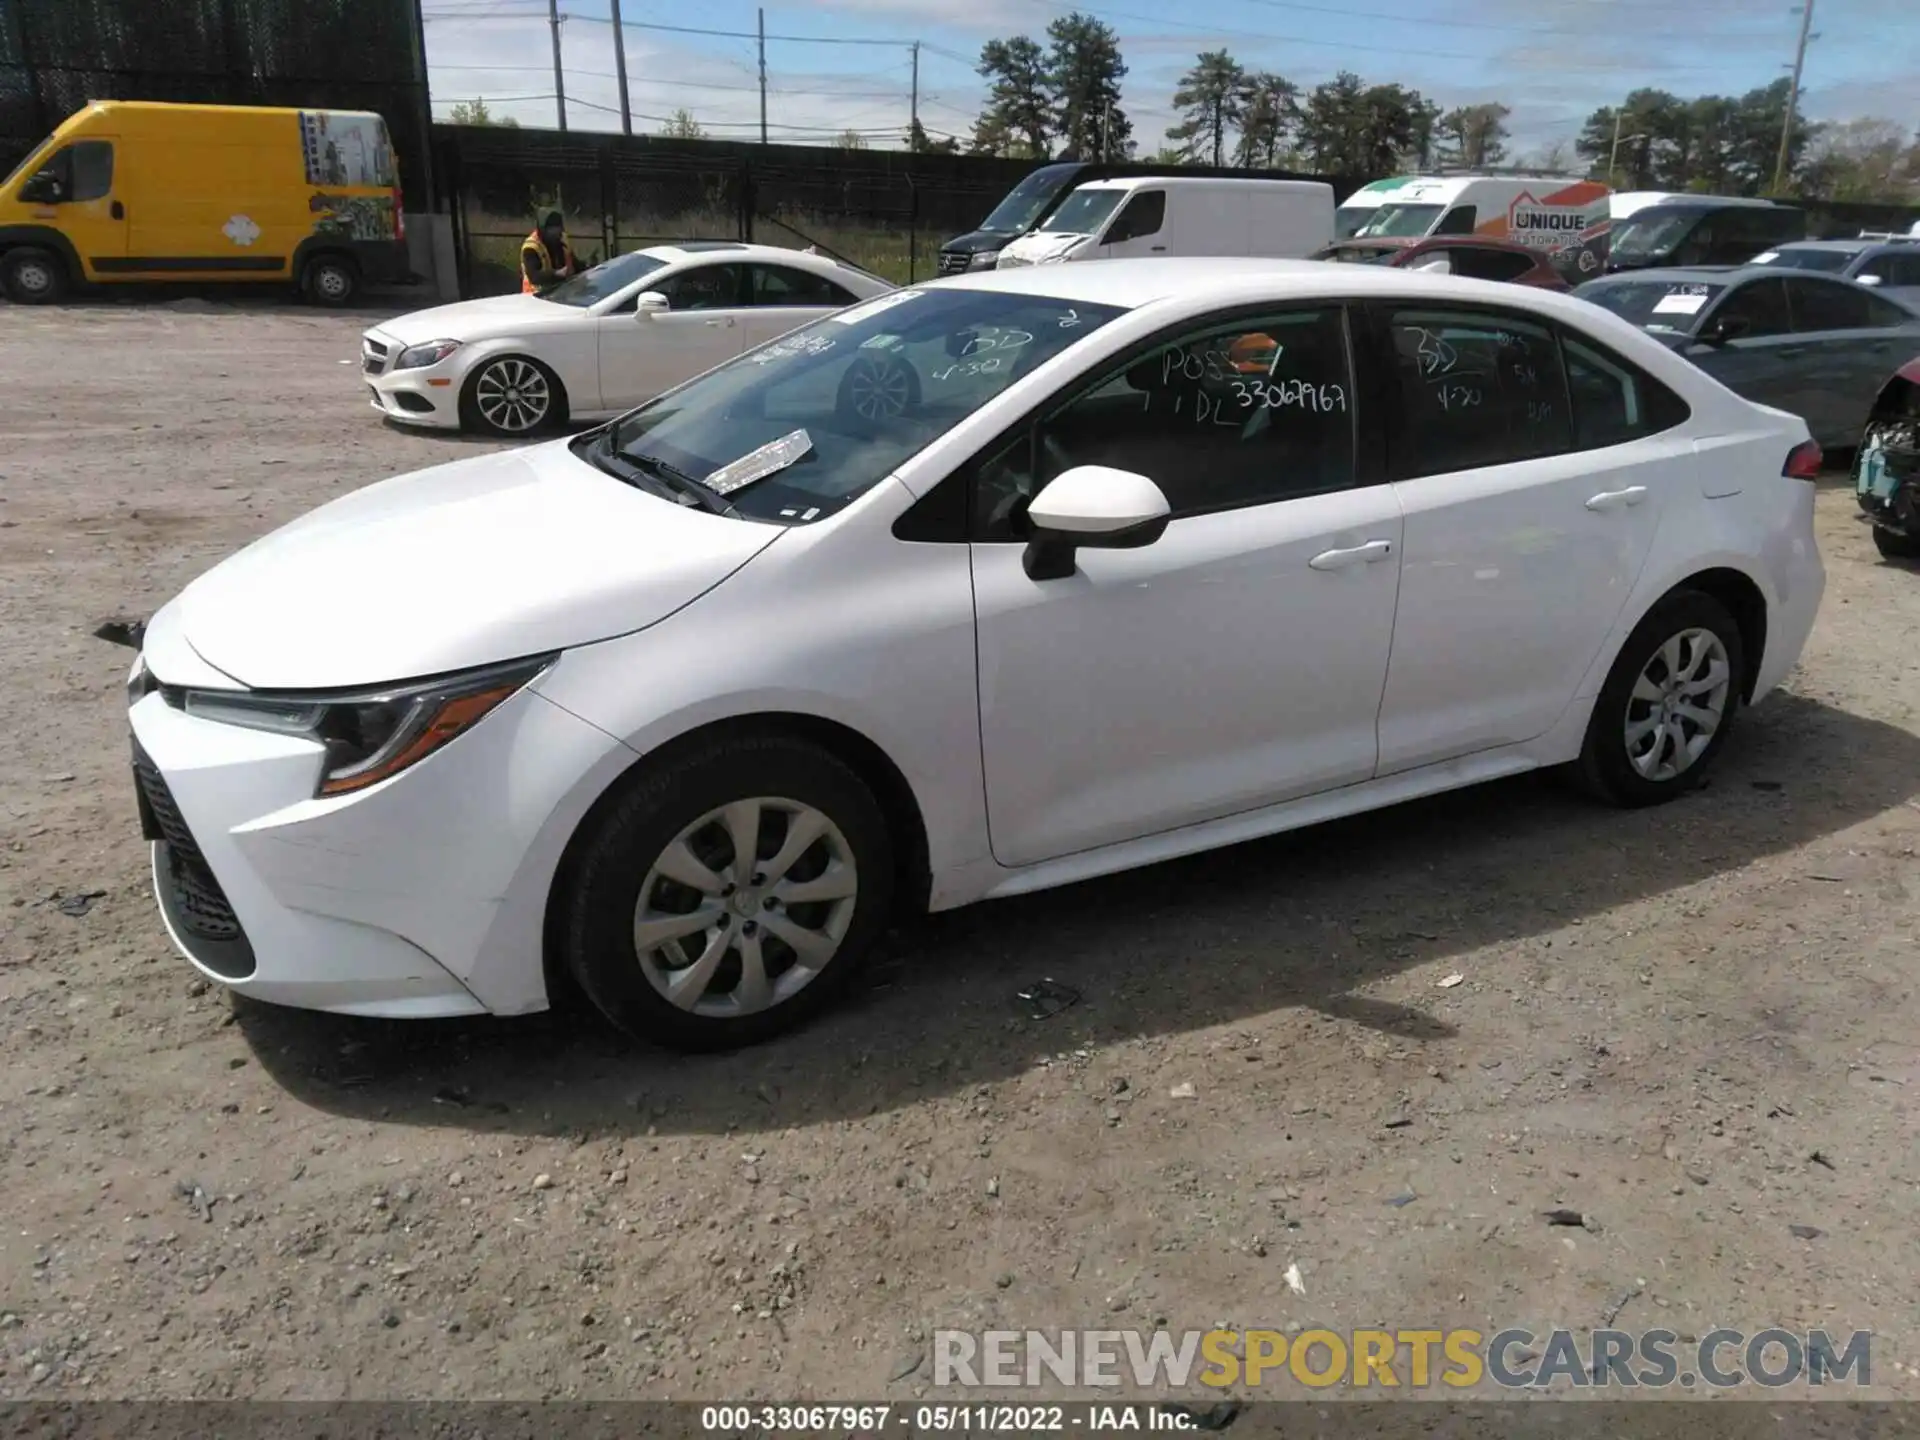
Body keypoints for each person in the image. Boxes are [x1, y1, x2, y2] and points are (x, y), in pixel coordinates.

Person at [520, 210, 579, 294]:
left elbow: (574, 265)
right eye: (553, 228)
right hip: (534, 296)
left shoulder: (562, 240)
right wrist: (557, 274)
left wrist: (588, 266)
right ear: (543, 229)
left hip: (557, 293)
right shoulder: (531, 246)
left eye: (559, 226)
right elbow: (534, 277)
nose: (559, 231)